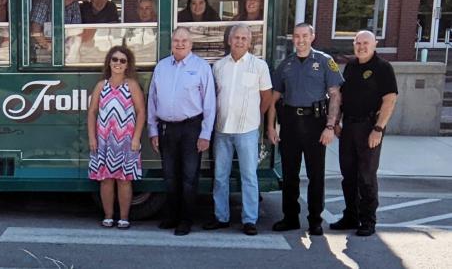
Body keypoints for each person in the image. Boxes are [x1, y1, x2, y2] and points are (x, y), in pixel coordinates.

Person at [267, 23, 343, 236]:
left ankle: (315, 220)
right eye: (296, 36)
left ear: (312, 37)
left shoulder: (325, 61)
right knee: (290, 174)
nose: (300, 40)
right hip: (290, 124)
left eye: (304, 36)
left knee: (315, 175)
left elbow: (335, 95)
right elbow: (274, 98)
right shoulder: (286, 65)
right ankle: (290, 217)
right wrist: (271, 127)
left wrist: (330, 126)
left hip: (315, 123)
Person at [205, 24, 273, 236]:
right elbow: (214, 96)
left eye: (244, 38)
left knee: (249, 176)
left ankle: (249, 220)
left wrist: (255, 117)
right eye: (236, 37)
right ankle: (221, 217)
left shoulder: (259, 66)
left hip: (247, 130)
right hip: (222, 130)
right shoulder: (218, 66)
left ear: (249, 42)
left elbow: (267, 97)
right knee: (220, 176)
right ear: (229, 40)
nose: (240, 41)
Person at [147, 26, 216, 235]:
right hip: (167, 128)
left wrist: (205, 134)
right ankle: (172, 216)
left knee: (188, 177)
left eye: (184, 40)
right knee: (170, 175)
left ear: (191, 44)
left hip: (191, 128)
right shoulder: (161, 67)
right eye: (176, 40)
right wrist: (153, 130)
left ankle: (186, 220)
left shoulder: (201, 67)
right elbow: (153, 99)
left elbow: (210, 103)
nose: (180, 44)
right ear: (172, 43)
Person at [329, 30, 398, 237]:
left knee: (366, 176)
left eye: (366, 43)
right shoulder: (350, 66)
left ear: (375, 44)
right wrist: (338, 121)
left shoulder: (383, 68)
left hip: (369, 128)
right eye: (358, 43)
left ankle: (368, 220)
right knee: (348, 175)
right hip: (349, 127)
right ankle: (351, 216)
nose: (361, 46)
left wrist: (378, 129)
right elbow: (342, 96)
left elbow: (389, 100)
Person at [88, 46, 146, 229]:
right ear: (109, 62)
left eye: (122, 60)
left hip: (126, 139)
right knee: (105, 179)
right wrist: (92, 138)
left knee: (124, 179)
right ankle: (108, 216)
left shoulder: (132, 85)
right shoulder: (101, 86)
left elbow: (141, 112)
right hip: (104, 139)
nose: (118, 63)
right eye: (115, 59)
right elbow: (92, 112)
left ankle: (124, 217)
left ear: (128, 64)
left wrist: (136, 138)